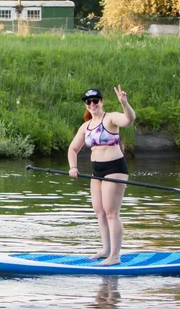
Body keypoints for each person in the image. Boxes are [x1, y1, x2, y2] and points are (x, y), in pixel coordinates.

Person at [67, 86, 136, 266]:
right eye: (88, 102)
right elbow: (73, 149)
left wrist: (125, 104)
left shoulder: (111, 117)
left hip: (115, 168)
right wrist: (73, 167)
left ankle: (115, 255)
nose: (91, 104)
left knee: (112, 212)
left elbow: (129, 120)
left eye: (95, 101)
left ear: (101, 101)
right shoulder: (86, 126)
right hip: (96, 171)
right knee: (100, 212)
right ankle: (105, 249)